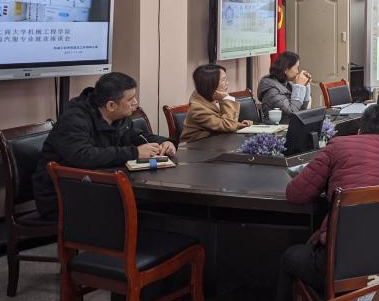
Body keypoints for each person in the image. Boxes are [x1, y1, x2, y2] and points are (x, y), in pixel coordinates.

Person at [275, 103, 379, 301]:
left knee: (290, 257)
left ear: (359, 130)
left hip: (340, 264)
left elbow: (296, 194)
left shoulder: (338, 146)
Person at [32, 72, 175, 218]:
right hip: (63, 197)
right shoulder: (74, 119)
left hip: (97, 188)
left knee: (163, 207)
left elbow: (137, 136)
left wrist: (164, 142)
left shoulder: (117, 116)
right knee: (147, 212)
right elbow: (84, 156)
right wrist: (135, 153)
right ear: (111, 105)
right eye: (130, 99)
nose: (135, 103)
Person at [179, 64, 253, 142]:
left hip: (214, 142)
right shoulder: (197, 109)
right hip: (196, 147)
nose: (227, 83)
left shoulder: (211, 96)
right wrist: (226, 98)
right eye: (223, 80)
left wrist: (241, 125)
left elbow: (221, 123)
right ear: (211, 84)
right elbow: (228, 126)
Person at [257, 50, 312, 119]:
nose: (297, 72)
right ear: (286, 69)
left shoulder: (287, 84)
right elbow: (292, 112)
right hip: (277, 125)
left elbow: (302, 109)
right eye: (296, 68)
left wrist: (305, 85)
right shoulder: (272, 91)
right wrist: (299, 86)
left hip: (288, 124)